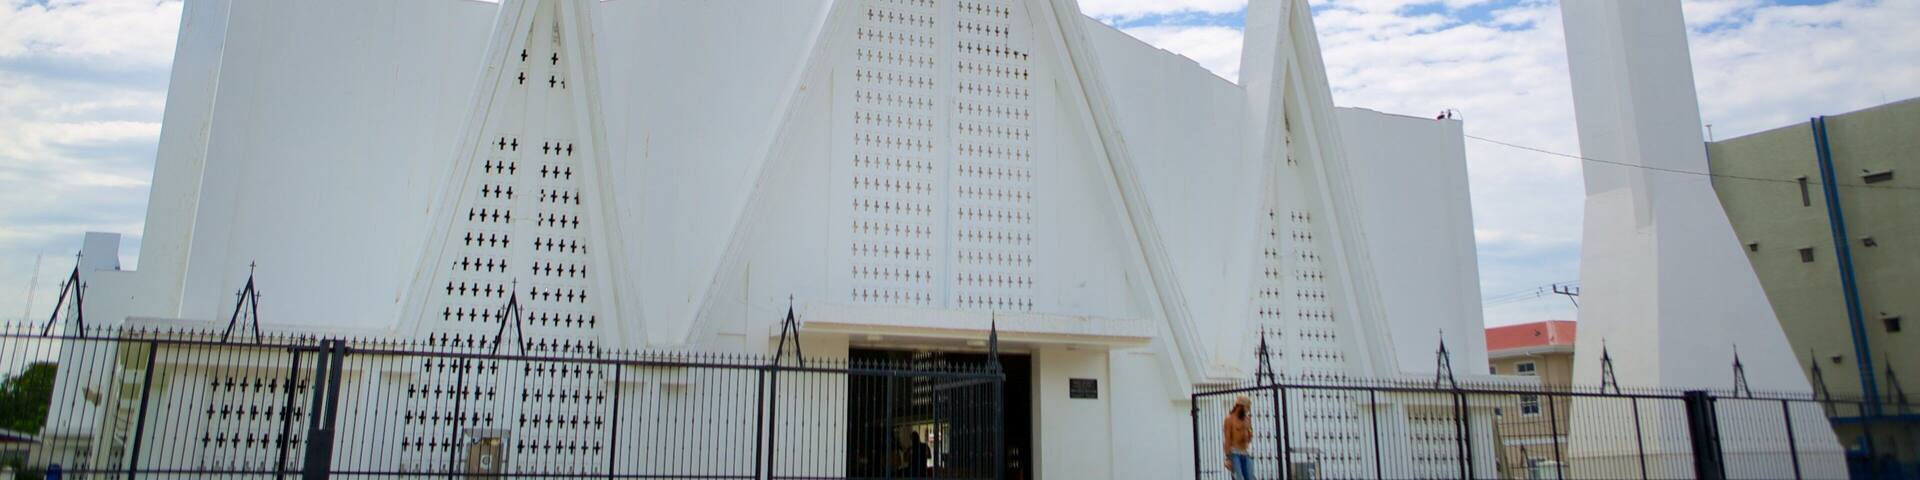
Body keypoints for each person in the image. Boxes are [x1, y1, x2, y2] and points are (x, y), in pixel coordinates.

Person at [1222, 395, 1255, 480]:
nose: (1248, 410)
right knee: (1239, 477)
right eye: (1246, 407)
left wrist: (1249, 433)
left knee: (1250, 476)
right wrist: (1227, 458)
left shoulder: (1247, 419)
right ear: (1239, 406)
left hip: (1245, 452)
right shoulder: (1229, 419)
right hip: (1234, 453)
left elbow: (1250, 431)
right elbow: (1227, 439)